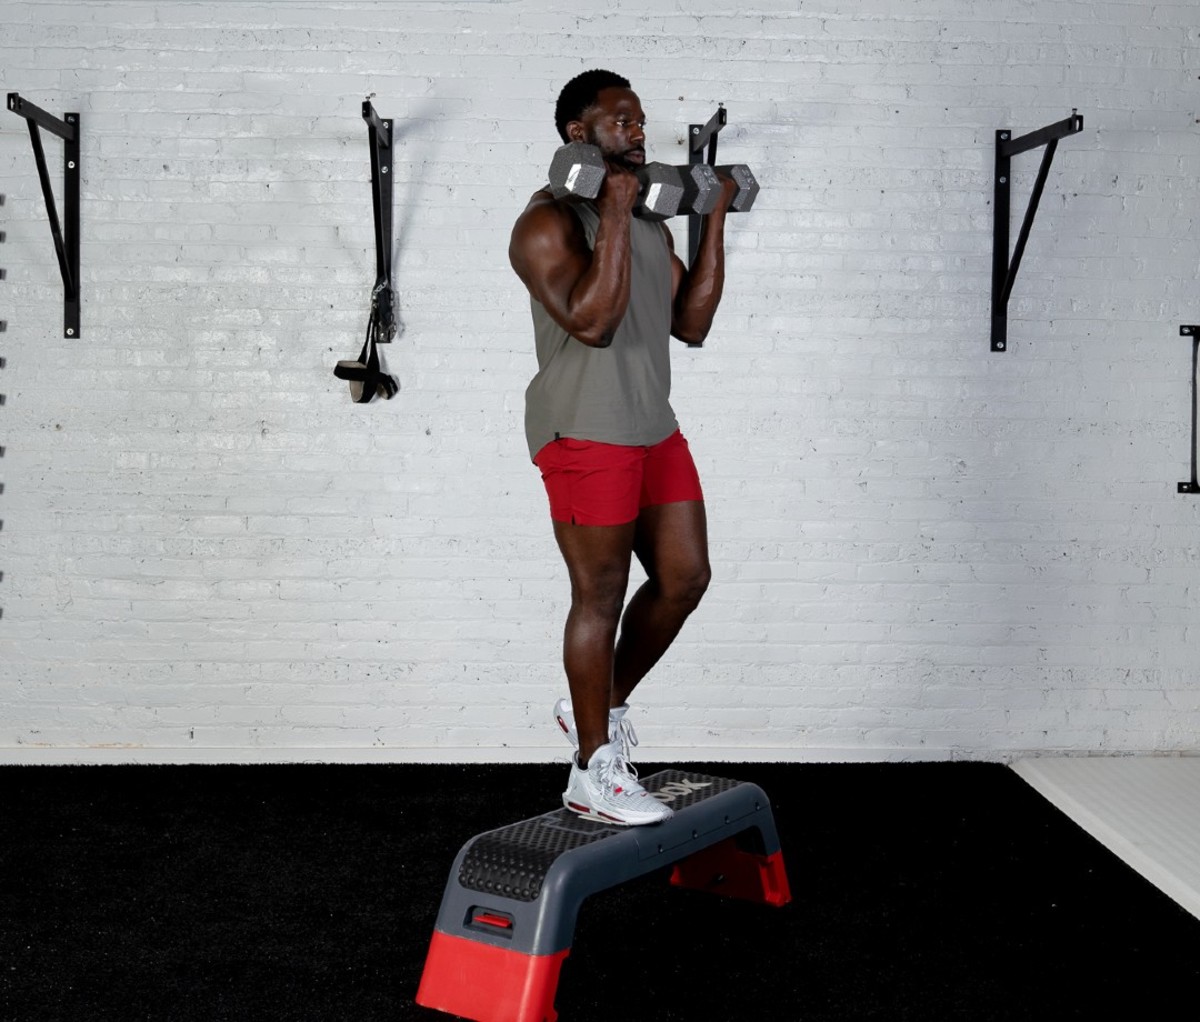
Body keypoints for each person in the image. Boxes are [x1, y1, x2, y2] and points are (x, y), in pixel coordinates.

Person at [509, 69, 738, 826]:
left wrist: (716, 220)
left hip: (651, 424)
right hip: (584, 428)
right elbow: (594, 323)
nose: (640, 132)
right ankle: (591, 770)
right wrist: (609, 207)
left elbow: (693, 324)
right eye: (622, 121)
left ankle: (597, 709)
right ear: (579, 133)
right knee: (599, 595)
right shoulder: (543, 225)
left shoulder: (646, 221)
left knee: (685, 577)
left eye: (641, 120)